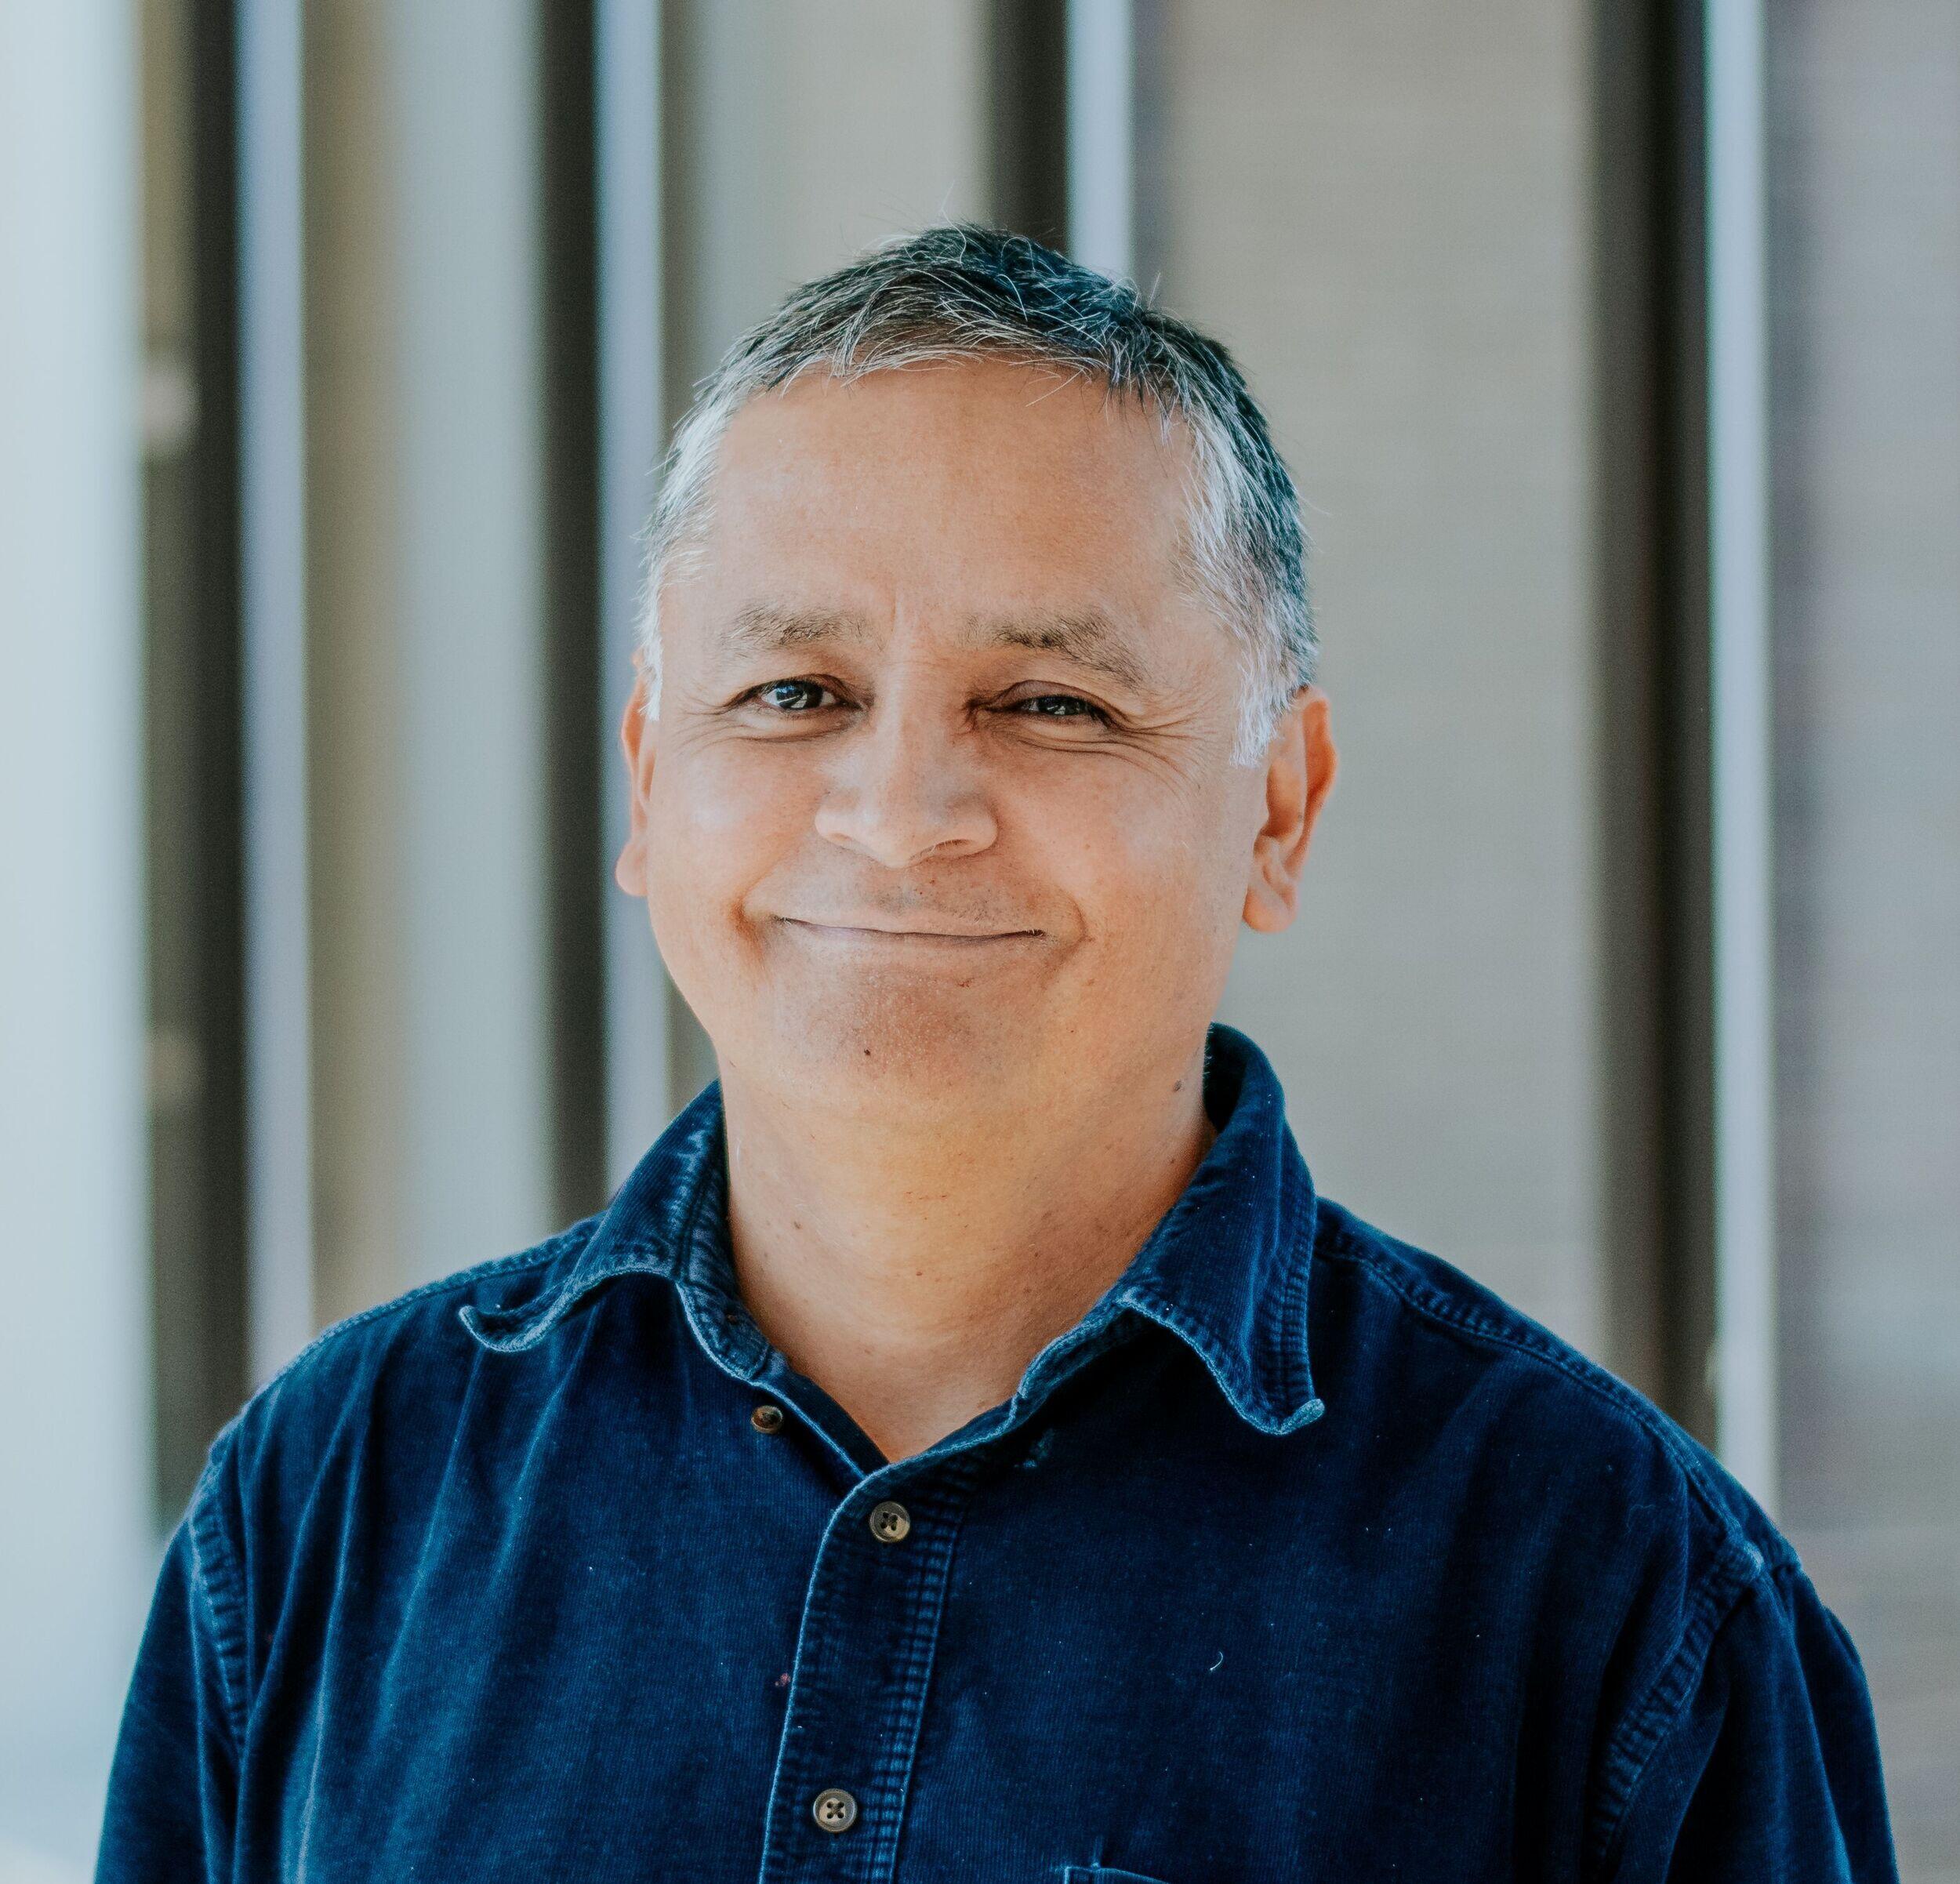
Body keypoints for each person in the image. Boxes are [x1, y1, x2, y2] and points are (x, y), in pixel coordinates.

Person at [95, 224, 1898, 1882]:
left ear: (1278, 806)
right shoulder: (329, 1497)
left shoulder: (1616, 1591)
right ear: (648, 779)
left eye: (1049, 702)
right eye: (794, 693)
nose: (898, 813)